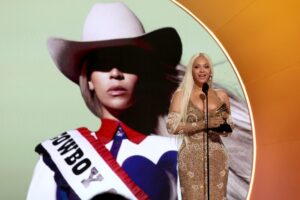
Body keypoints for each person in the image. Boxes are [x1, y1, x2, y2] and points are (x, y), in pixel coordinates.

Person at [27, 2, 182, 200]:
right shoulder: (55, 159)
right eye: (104, 63)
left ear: (143, 74)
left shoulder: (177, 152)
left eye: (127, 62)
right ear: (89, 79)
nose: (115, 73)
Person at [166, 53, 234, 200]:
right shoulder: (181, 95)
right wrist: (204, 124)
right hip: (191, 157)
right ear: (191, 71)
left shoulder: (220, 96)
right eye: (197, 67)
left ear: (211, 71)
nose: (202, 70)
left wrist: (222, 127)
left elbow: (228, 125)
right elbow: (172, 126)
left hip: (217, 156)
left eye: (206, 66)